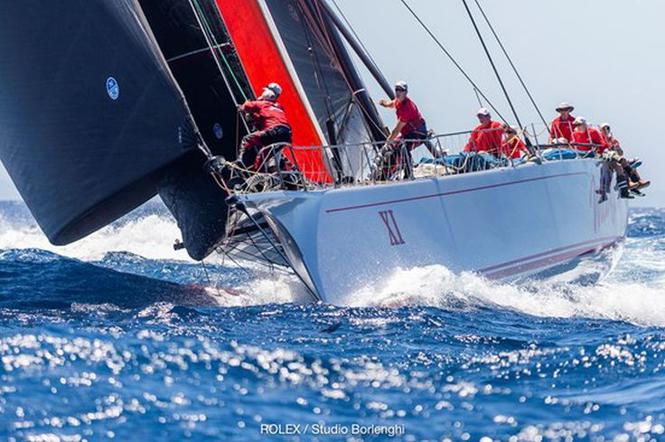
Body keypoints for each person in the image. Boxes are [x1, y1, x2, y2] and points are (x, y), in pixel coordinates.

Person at [377, 81, 437, 178]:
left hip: (418, 133)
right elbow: (393, 104)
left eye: (401, 90)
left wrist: (387, 143)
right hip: (407, 133)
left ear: (405, 92)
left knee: (402, 147)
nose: (398, 92)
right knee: (393, 147)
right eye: (397, 89)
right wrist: (385, 104)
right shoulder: (399, 101)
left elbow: (396, 130)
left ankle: (408, 172)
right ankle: (384, 172)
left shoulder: (408, 108)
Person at [237, 83, 292, 171]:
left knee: (247, 139)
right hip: (286, 135)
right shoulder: (279, 107)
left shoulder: (263, 104)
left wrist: (242, 108)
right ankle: (269, 176)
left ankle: (240, 161)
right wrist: (252, 116)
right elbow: (264, 118)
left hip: (274, 132)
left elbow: (247, 106)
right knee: (264, 157)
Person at [600, 123, 650, 190]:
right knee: (622, 165)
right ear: (601, 130)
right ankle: (630, 183)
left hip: (617, 158)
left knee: (631, 164)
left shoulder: (613, 140)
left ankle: (637, 182)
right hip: (609, 160)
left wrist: (617, 148)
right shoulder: (600, 140)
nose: (606, 130)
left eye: (607, 128)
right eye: (604, 129)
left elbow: (621, 153)